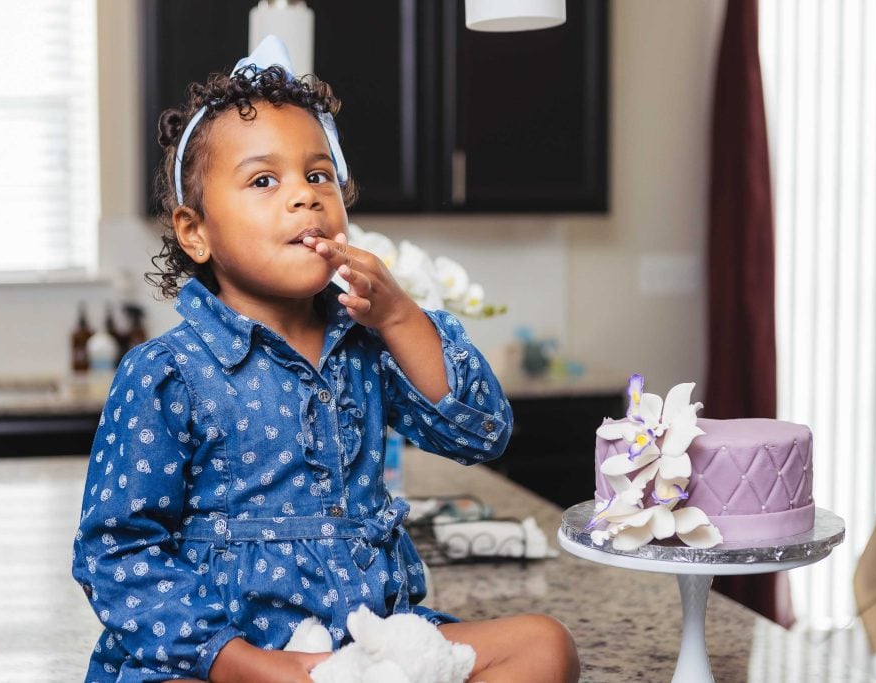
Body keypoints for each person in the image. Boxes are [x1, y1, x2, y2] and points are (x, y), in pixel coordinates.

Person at [72, 36, 579, 683]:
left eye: (319, 175)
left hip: (363, 648)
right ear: (194, 231)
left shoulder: (370, 345)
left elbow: (480, 429)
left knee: (544, 646)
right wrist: (245, 662)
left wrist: (399, 316)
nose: (305, 196)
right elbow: (116, 553)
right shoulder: (168, 372)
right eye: (264, 179)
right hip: (221, 660)